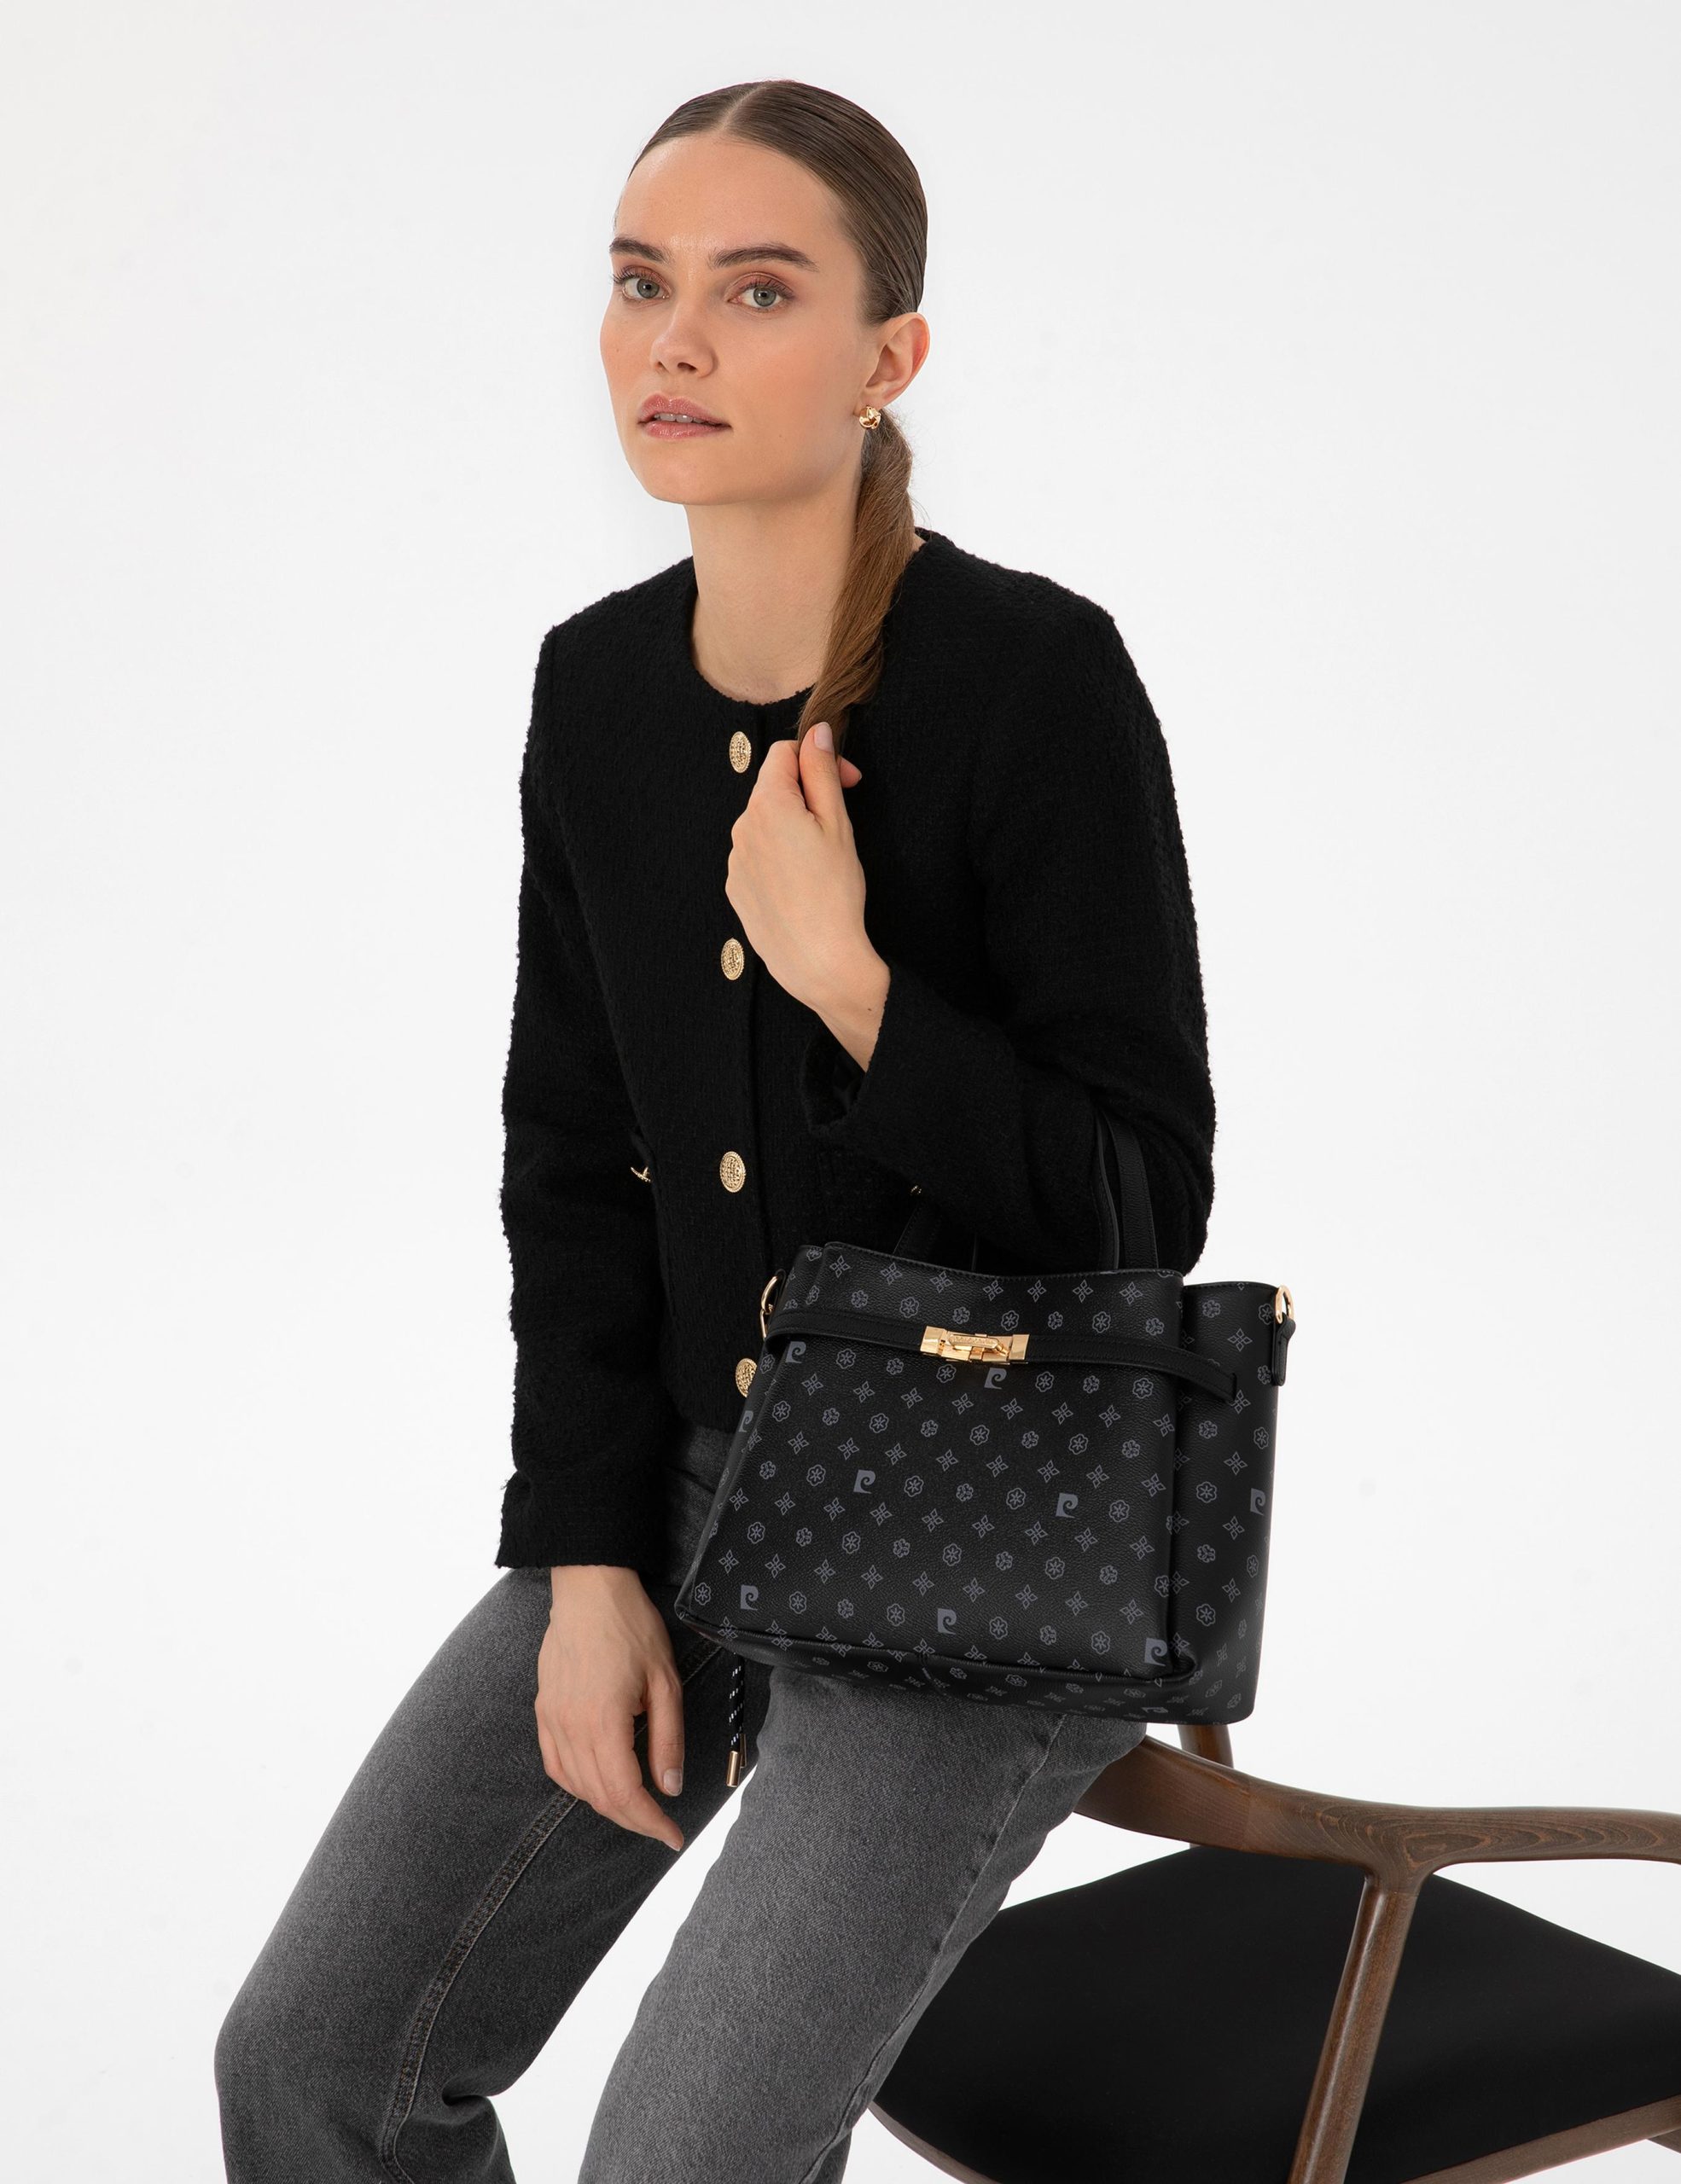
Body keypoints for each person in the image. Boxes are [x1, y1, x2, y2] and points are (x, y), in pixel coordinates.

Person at [213, 76, 1218, 2184]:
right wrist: (585, 1560)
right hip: (676, 1492)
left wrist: (854, 983)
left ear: (885, 356)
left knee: (681, 2159)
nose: (672, 340)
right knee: (313, 2060)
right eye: (639, 283)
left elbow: (1139, 1207)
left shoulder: (1032, 680)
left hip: (986, 1539)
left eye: (756, 291)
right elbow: (571, 1167)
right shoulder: (594, 691)